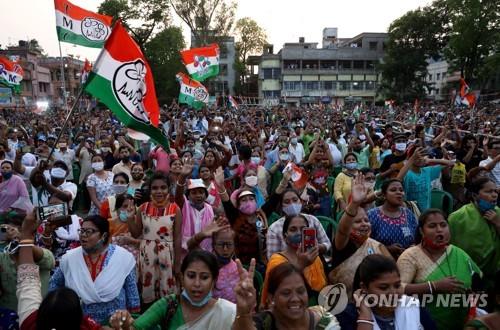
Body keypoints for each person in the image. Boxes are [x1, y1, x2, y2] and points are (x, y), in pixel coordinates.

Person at [13, 209, 100, 329]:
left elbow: (27, 282)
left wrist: (26, 234)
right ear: (79, 318)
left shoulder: (30, 323)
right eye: (83, 231)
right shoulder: (89, 327)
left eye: (89, 231)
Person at [108, 250, 237, 330]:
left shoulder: (227, 311)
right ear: (181, 278)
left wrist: (245, 312)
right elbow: (135, 328)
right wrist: (123, 323)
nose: (197, 284)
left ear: (213, 281)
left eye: (204, 277)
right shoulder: (169, 305)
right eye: (191, 276)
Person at [397, 208, 482, 330]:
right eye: (432, 226)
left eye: (443, 225)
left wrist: (473, 298)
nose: (439, 230)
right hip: (424, 324)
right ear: (421, 231)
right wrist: (434, 286)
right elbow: (398, 289)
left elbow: (478, 279)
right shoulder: (410, 256)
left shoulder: (458, 253)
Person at [49, 215, 140, 324]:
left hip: (113, 324)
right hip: (80, 323)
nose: (83, 235)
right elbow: (54, 285)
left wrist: (132, 320)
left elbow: (132, 295)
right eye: (81, 231)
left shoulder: (122, 257)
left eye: (89, 231)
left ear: (103, 235)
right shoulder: (70, 258)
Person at [329, 174, 392, 298]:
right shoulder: (341, 244)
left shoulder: (376, 245)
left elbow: (393, 272)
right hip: (346, 306)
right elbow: (342, 230)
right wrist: (355, 203)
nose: (364, 224)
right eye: (357, 222)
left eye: (366, 220)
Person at [336, 254, 436, 330]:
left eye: (397, 285)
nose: (393, 293)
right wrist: (365, 315)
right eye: (383, 288)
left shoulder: (413, 306)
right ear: (364, 287)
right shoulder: (348, 315)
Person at [233, 259, 341, 330]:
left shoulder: (325, 324)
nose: (295, 299)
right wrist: (243, 311)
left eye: (300, 291)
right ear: (271, 298)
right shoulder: (264, 323)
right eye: (286, 293)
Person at [127, 172, 182, 304]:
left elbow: (178, 237)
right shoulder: (142, 208)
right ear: (150, 189)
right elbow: (135, 233)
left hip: (167, 256)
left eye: (163, 187)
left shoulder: (175, 209)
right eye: (155, 188)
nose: (159, 191)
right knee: (147, 290)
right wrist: (130, 217)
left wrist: (177, 264)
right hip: (147, 255)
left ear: (169, 188)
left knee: (166, 293)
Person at [261, 214, 327, 308]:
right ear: (285, 236)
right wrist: (301, 265)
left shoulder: (314, 257)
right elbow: (278, 294)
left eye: (303, 229)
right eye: (293, 229)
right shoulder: (276, 261)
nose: (299, 233)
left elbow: (322, 291)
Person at [448, 177, 500, 291]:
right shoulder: (458, 217)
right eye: (489, 191)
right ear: (475, 195)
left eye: (495, 191)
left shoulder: (498, 213)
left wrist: (497, 223)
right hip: (466, 276)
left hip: (494, 276)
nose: (494, 195)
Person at [0, 210, 55, 312]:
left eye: (20, 229)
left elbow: (50, 262)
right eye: (5, 230)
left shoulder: (41, 253)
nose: (10, 232)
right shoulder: (2, 258)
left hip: (36, 315)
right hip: (8, 316)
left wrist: (23, 238)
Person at [266, 188, 331, 259]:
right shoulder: (274, 228)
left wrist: (317, 247)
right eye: (287, 202)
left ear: (301, 202)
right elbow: (272, 258)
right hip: (288, 268)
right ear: (282, 207)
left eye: (295, 200)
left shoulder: (312, 220)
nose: (292, 204)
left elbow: (327, 243)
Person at [367, 179, 418, 258]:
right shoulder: (372, 215)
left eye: (401, 190)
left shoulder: (408, 214)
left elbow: (417, 238)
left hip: (408, 260)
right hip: (380, 263)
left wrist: (412, 248)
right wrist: (387, 249)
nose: (399, 192)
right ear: (384, 195)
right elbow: (364, 245)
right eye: (393, 190)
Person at [175, 159, 216, 256]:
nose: (198, 195)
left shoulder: (209, 208)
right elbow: (178, 196)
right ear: (188, 196)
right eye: (194, 193)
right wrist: (182, 177)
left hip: (206, 251)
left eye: (201, 192)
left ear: (205, 195)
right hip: (186, 251)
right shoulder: (185, 205)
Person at [397, 146, 455, 212]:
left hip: (425, 212)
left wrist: (429, 160)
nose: (420, 158)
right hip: (411, 211)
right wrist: (413, 157)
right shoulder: (407, 174)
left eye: (422, 156)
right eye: (417, 156)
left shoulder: (427, 171)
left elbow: (450, 163)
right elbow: (398, 179)